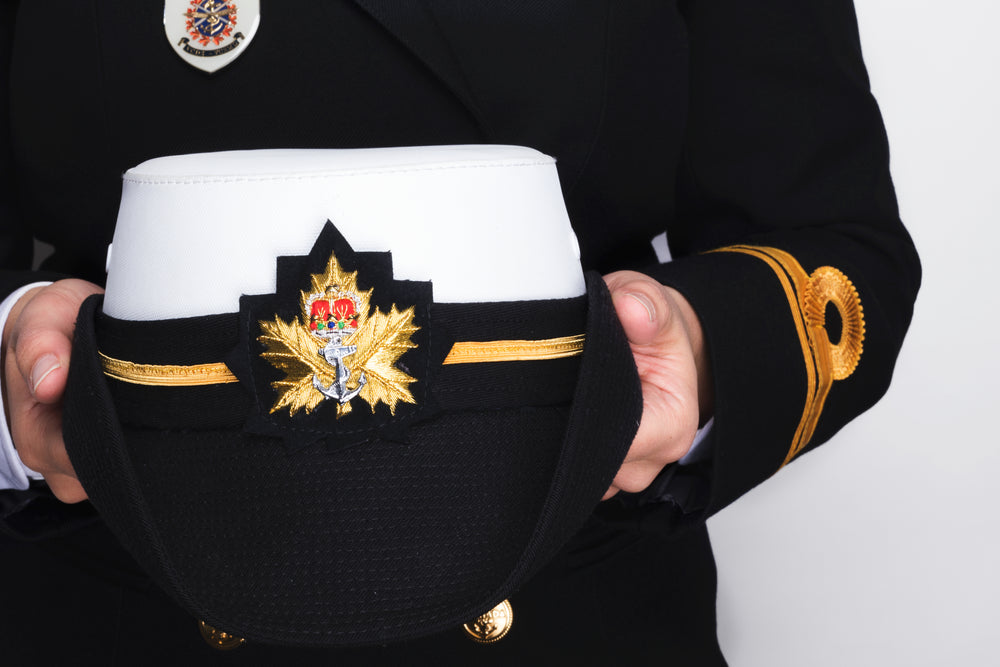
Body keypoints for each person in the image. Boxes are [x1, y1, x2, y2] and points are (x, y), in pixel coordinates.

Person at [0, 1, 920, 664]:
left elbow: (833, 245)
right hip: (110, 601)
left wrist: (700, 351)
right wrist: (10, 373)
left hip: (574, 613)